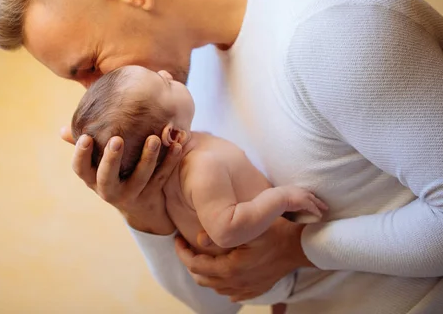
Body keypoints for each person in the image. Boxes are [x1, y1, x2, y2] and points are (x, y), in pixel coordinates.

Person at [0, 0, 443, 313]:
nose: (97, 91)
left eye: (89, 66)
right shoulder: (174, 80)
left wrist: (299, 248)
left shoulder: (331, 30)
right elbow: (220, 303)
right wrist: (144, 213)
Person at [71, 65, 328, 260]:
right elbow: (226, 230)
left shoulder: (183, 159)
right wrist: (281, 199)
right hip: (263, 260)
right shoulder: (201, 168)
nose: (166, 73)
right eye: (164, 84)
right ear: (173, 135)